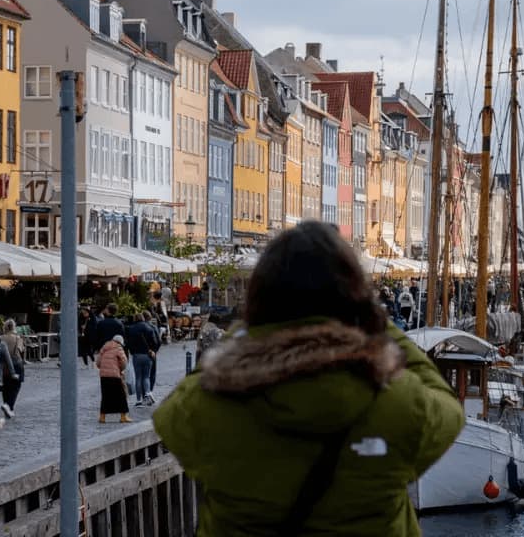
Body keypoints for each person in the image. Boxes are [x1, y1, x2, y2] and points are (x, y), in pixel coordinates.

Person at [153, 221, 464, 536]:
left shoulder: (212, 404)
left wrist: (250, 329)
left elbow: (171, 415)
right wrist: (378, 324)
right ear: (354, 299)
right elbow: (448, 406)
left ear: (259, 297)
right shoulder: (395, 401)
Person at [96, 335, 131, 423]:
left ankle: (102, 417)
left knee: (105, 396)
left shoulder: (104, 347)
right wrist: (120, 369)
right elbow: (124, 362)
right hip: (114, 374)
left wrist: (103, 368)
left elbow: (98, 362)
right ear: (120, 342)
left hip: (103, 375)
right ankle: (123, 417)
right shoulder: (118, 348)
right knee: (121, 396)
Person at [125, 314, 156, 406]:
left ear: (135, 319)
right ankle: (147, 395)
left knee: (138, 377)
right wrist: (152, 350)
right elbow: (154, 342)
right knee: (146, 377)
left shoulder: (131, 329)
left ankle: (138, 400)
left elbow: (128, 343)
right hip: (147, 355)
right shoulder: (149, 328)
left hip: (136, 355)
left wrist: (131, 352)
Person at [1, 319, 25, 418]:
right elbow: (21, 350)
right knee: (16, 386)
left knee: (5, 386)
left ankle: (6, 405)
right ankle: (9, 406)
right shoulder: (18, 338)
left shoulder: (1, 338)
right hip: (16, 364)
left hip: (4, 365)